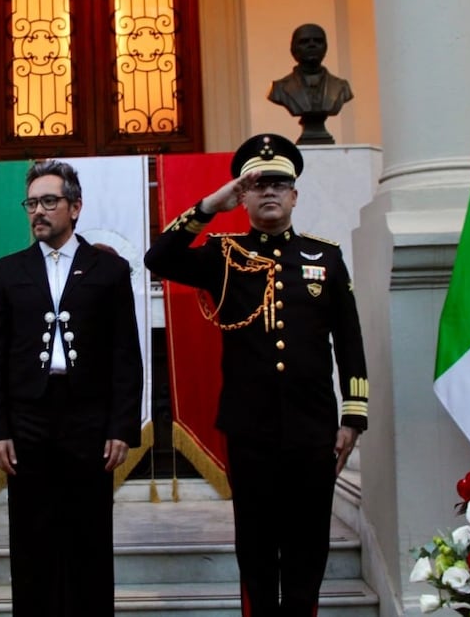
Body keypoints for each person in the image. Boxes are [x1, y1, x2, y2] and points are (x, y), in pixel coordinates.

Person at [144, 133, 369, 616]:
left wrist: (353, 418)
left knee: (309, 543)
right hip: (251, 430)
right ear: (243, 195)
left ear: (294, 194)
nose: (269, 191)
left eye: (279, 184)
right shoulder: (224, 256)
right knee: (258, 542)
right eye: (257, 183)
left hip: (313, 430)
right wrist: (210, 205)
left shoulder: (324, 258)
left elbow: (349, 341)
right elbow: (158, 258)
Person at [0, 160, 143, 616]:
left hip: (88, 421)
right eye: (32, 203)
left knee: (89, 539)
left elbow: (126, 356)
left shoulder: (108, 270)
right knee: (31, 541)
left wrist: (121, 427)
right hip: (27, 422)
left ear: (75, 207)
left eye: (49, 201)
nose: (38, 211)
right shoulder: (8, 270)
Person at [268, 24, 354, 145]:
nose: (312, 45)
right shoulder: (279, 88)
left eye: (318, 41)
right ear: (293, 49)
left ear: (325, 47)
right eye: (304, 42)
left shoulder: (342, 87)